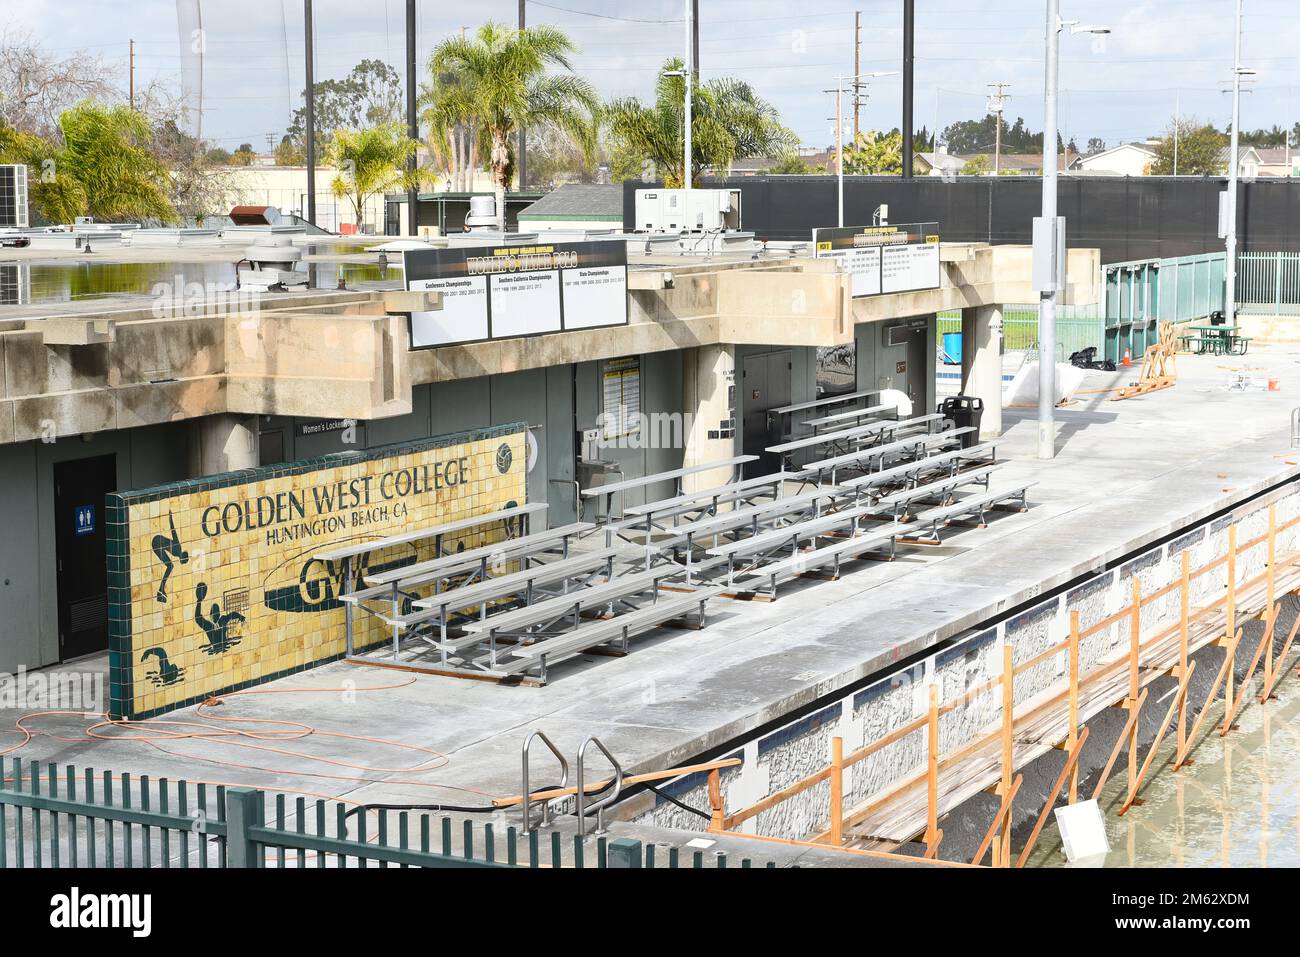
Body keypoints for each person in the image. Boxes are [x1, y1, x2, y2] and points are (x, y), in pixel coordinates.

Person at [194, 583, 246, 656]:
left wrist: (241, 617)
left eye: (216, 614)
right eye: (215, 614)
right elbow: (198, 618)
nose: (216, 616)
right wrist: (199, 601)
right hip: (217, 650)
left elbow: (232, 615)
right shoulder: (209, 625)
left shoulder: (221, 620)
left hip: (224, 647)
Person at [151, 512, 189, 603]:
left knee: (170, 566)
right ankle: (161, 589)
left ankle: (161, 589)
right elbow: (173, 531)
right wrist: (170, 517)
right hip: (157, 542)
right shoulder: (178, 547)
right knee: (170, 566)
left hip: (157, 543)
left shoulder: (178, 551)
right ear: (182, 557)